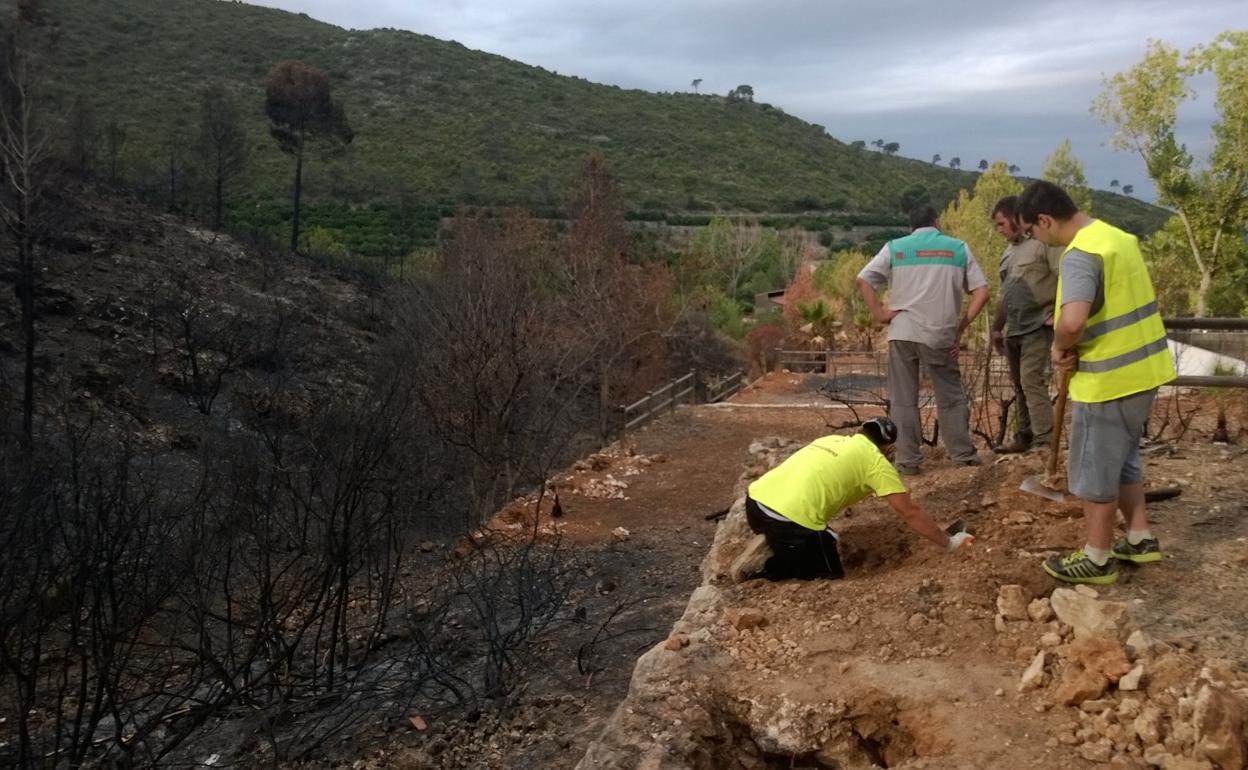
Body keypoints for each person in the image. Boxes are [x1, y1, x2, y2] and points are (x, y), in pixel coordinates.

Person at [1017, 180, 1175, 585]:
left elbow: (1072, 321)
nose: (1035, 238)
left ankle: (1097, 558)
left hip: (1108, 380)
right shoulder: (1117, 238)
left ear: (1045, 220)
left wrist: (1059, 345)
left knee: (1093, 471)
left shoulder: (1080, 255)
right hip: (1145, 371)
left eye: (1033, 231)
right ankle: (1140, 539)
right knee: (1123, 460)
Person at [743, 416, 974, 580]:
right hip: (787, 521)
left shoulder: (830, 440)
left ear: (862, 431)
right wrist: (949, 543)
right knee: (828, 573)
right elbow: (909, 512)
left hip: (754, 504)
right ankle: (767, 566)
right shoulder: (876, 462)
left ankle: (777, 544)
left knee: (809, 537)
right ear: (888, 446)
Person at [856, 205, 990, 475]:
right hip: (940, 333)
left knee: (903, 399)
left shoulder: (895, 248)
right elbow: (982, 292)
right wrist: (961, 326)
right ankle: (962, 456)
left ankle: (908, 462)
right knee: (950, 397)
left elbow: (863, 280)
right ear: (937, 222)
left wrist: (881, 314)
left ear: (911, 226)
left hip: (901, 332)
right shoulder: (957, 248)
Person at [989, 195, 1059, 453]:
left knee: (1032, 381)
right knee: (1019, 384)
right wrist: (997, 328)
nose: (999, 230)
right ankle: (1024, 437)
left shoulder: (1043, 244)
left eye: (1001, 223)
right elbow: (1003, 294)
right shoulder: (1008, 252)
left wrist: (1059, 313)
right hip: (1014, 328)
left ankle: (1045, 441)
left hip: (1038, 326)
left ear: (1014, 217)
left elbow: (1064, 276)